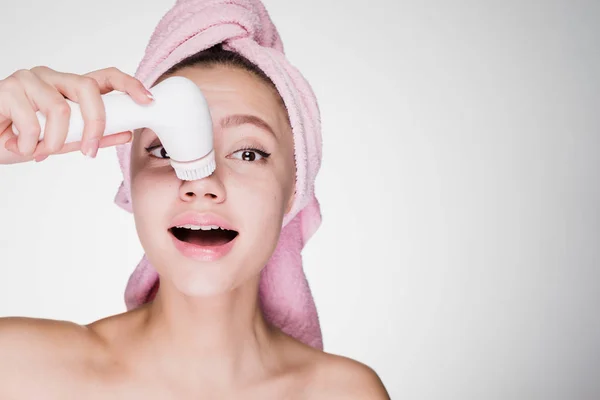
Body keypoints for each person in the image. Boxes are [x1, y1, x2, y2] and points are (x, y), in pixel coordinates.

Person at [0, 1, 390, 398]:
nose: (201, 183)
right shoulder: (18, 369)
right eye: (165, 151)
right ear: (130, 181)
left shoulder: (346, 393)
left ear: (295, 191)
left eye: (248, 153)